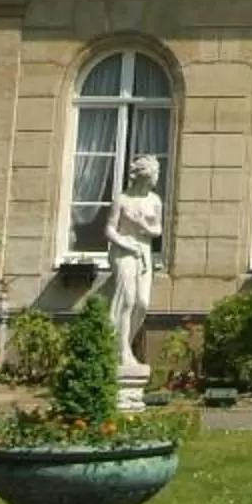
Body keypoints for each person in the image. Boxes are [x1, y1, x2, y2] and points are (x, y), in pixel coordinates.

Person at [105, 154, 164, 374]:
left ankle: (122, 345)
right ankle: (122, 353)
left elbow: (157, 230)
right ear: (143, 177)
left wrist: (142, 225)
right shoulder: (122, 199)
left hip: (144, 251)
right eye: (154, 175)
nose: (156, 179)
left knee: (142, 303)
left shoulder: (154, 201)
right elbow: (109, 230)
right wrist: (128, 246)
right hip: (123, 251)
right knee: (127, 300)